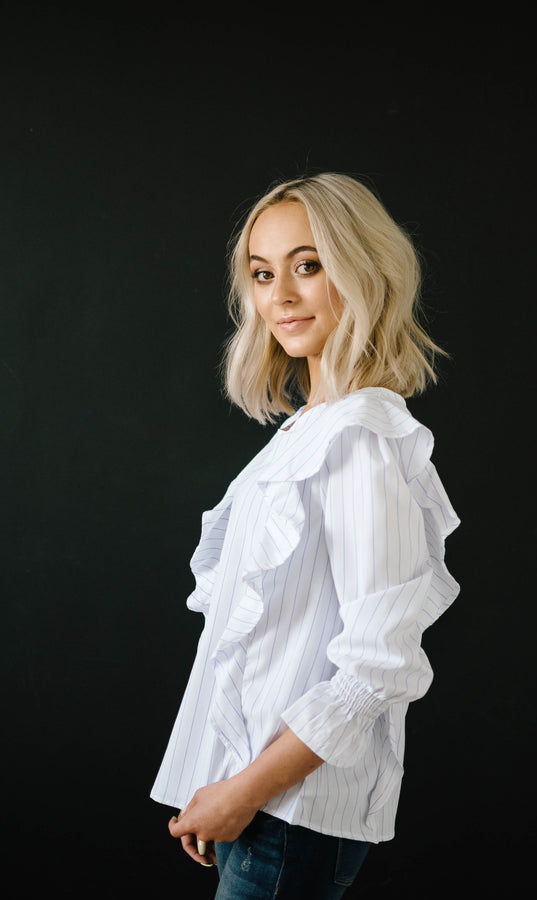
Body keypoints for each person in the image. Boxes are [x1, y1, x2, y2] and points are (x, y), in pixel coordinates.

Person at [151, 172, 460, 898]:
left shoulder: (361, 439)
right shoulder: (309, 430)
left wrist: (244, 792)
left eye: (308, 266)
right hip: (259, 802)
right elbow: (260, 647)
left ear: (363, 272)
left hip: (287, 813)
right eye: (263, 273)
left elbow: (376, 666)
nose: (280, 295)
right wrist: (225, 782)